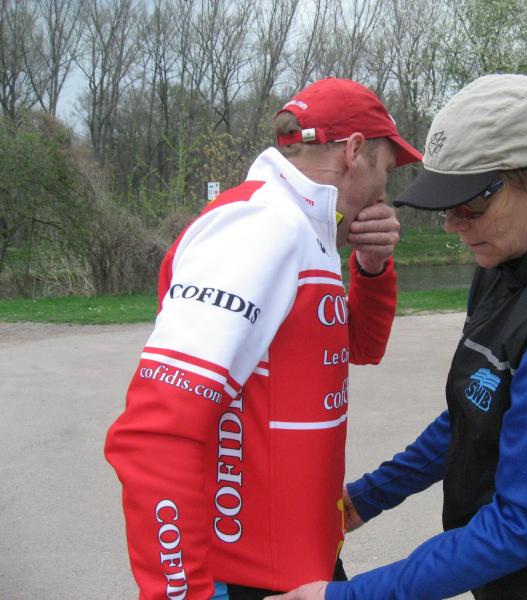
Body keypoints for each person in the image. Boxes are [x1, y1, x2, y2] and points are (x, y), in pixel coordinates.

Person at [278, 73, 527, 600]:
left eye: (472, 204)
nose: (453, 225)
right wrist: (366, 498)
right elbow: (476, 413)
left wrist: (345, 596)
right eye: (447, 205)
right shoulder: (506, 261)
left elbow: (521, 525)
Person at [104, 77, 422, 600]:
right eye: (386, 169)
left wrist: (371, 266)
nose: (385, 193)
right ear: (354, 151)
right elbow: (154, 434)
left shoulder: (308, 227)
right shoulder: (260, 226)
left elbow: (358, 348)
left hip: (304, 563)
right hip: (243, 576)